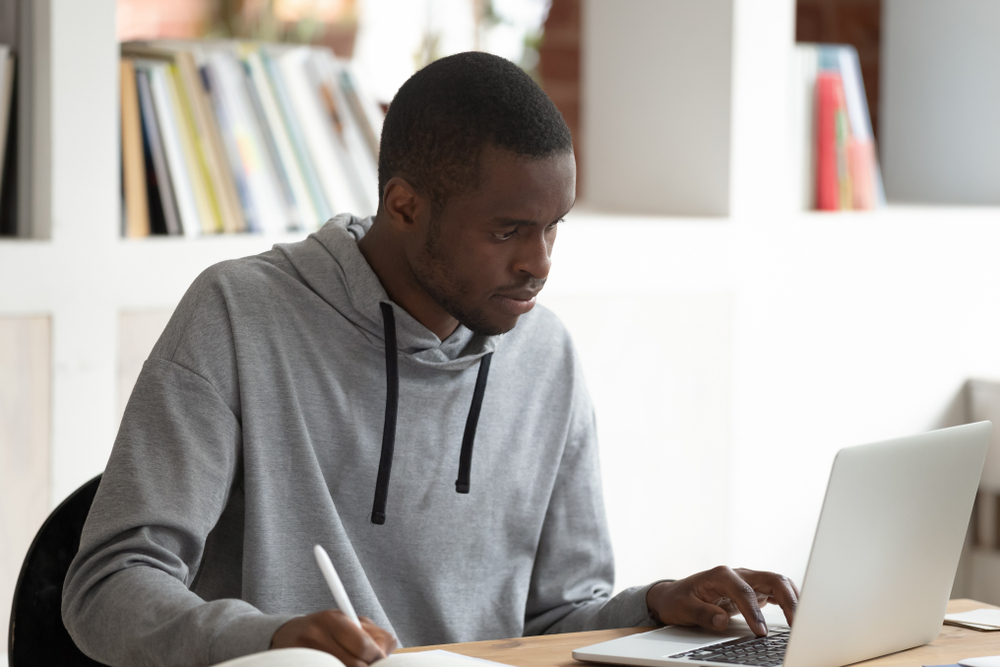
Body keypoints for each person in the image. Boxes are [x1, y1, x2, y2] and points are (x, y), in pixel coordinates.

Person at [62, 52, 798, 667]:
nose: (538, 264)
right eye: (509, 229)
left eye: (554, 228)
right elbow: (108, 587)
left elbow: (557, 617)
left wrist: (656, 604)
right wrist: (273, 641)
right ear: (405, 205)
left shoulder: (545, 354)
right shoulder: (239, 315)